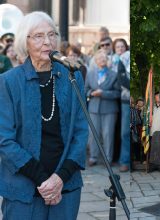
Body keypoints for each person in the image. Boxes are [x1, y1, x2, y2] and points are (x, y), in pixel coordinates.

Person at [0, 11, 88, 220]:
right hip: (23, 190)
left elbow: (82, 130)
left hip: (66, 187)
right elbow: (4, 140)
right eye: (38, 36)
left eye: (52, 34)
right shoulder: (9, 82)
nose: (47, 41)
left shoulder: (72, 76)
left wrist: (60, 178)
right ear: (25, 41)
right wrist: (42, 180)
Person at [85, 49, 120, 166]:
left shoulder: (114, 75)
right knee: (93, 133)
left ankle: (108, 159)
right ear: (95, 61)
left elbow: (117, 93)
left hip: (109, 109)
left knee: (108, 134)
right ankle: (93, 157)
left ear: (107, 61)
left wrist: (103, 93)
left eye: (104, 58)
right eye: (99, 58)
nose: (102, 60)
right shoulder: (90, 74)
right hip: (94, 108)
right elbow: (85, 90)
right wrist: (91, 93)